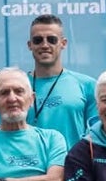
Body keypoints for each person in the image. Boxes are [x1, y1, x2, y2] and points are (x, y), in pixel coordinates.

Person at [25, 14, 96, 149]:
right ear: (30, 45)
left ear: (63, 43)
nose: (45, 45)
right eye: (38, 40)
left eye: (52, 39)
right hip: (32, 168)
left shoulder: (88, 85)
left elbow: (97, 135)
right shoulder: (16, 88)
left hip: (73, 166)